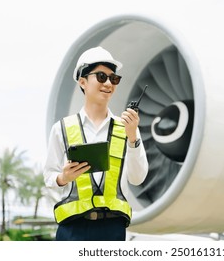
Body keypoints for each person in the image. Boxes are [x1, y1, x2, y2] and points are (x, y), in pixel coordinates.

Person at [43, 46, 149, 241]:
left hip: (113, 230)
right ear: (83, 82)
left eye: (114, 78)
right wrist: (64, 177)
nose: (108, 83)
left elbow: (138, 178)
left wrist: (133, 137)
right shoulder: (62, 128)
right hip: (72, 229)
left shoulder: (128, 128)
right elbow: (49, 177)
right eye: (101, 76)